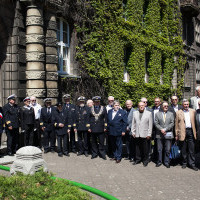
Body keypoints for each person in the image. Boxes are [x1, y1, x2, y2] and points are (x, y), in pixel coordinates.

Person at [175, 99, 198, 171]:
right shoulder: (178, 112)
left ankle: (192, 164)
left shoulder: (193, 111)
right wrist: (176, 134)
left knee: (191, 149)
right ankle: (184, 163)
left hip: (191, 131)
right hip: (182, 131)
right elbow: (176, 124)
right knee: (183, 149)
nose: (186, 106)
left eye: (187, 104)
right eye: (185, 104)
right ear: (182, 105)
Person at [131, 102, 152, 167]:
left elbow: (150, 125)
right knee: (137, 148)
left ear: (145, 105)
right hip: (137, 133)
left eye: (142, 105)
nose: (141, 107)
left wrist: (149, 134)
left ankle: (145, 160)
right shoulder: (135, 113)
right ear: (138, 106)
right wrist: (133, 132)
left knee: (145, 149)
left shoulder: (149, 113)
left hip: (145, 134)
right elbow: (133, 123)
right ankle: (138, 159)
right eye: (140, 106)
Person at [154, 101, 174, 168]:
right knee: (159, 149)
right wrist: (161, 129)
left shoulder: (171, 114)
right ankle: (159, 162)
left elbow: (172, 123)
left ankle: (166, 162)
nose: (166, 107)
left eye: (167, 106)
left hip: (168, 133)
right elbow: (156, 123)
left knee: (167, 149)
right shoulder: (157, 114)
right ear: (162, 106)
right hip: (159, 134)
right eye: (165, 106)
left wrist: (165, 129)